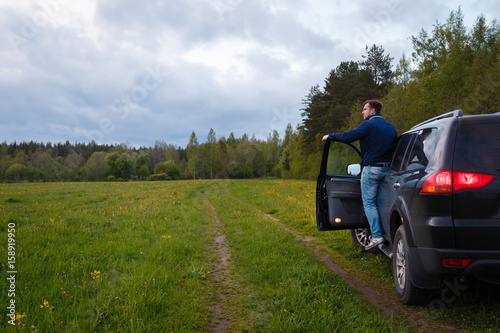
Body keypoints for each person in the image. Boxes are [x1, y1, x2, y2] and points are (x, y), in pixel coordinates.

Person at [322, 100, 397, 250]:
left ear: (373, 111)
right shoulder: (390, 127)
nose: (362, 112)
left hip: (371, 169)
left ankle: (376, 236)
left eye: (365, 109)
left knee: (369, 204)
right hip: (388, 171)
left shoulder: (368, 125)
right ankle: (387, 235)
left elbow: (350, 136)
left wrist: (331, 136)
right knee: (380, 204)